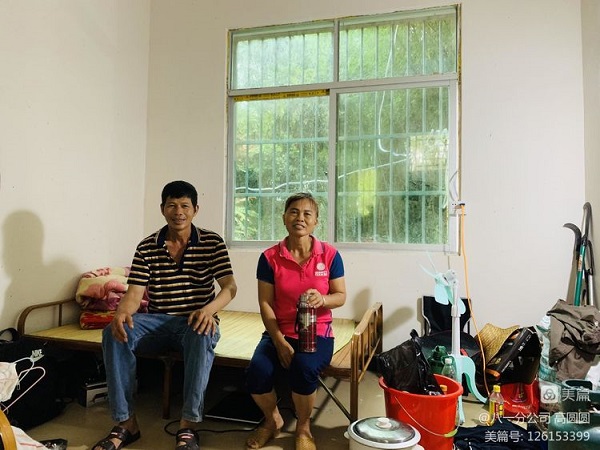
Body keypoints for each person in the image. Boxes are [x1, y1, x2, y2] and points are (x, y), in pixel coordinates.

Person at [92, 180, 237, 450]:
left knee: (202, 332)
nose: (178, 212)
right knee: (114, 333)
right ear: (162, 209)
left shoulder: (212, 242)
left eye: (185, 206)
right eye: (172, 205)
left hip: (195, 320)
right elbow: (134, 294)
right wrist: (121, 313)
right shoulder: (147, 246)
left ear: (195, 209)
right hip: (157, 322)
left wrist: (208, 311)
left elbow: (229, 287)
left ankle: (188, 425)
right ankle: (126, 423)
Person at [245, 193, 346, 450]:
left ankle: (303, 427)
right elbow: (266, 304)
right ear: (284, 218)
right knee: (257, 371)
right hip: (279, 331)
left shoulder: (330, 255)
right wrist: (278, 341)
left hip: (318, 332)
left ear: (315, 222)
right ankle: (272, 420)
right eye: (293, 211)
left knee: (303, 367)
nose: (300, 218)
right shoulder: (269, 257)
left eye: (307, 213)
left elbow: (341, 296)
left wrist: (323, 299)